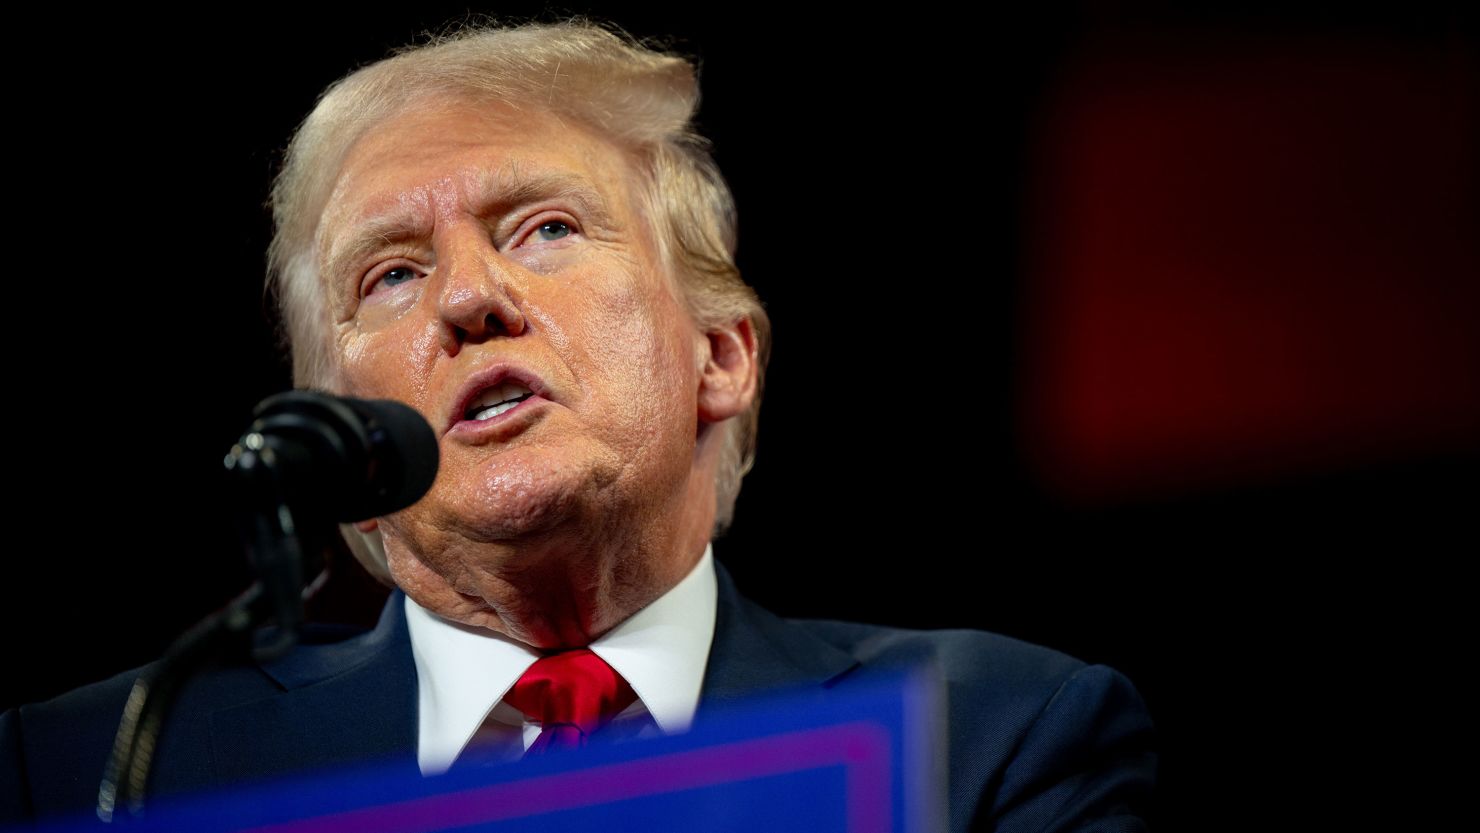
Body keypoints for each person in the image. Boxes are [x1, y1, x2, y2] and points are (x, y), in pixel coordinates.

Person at [1, 20, 1155, 832]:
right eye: (391, 275)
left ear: (720, 356)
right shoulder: (98, 769)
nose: (466, 298)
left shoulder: (990, 738)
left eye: (545, 227)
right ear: (341, 428)